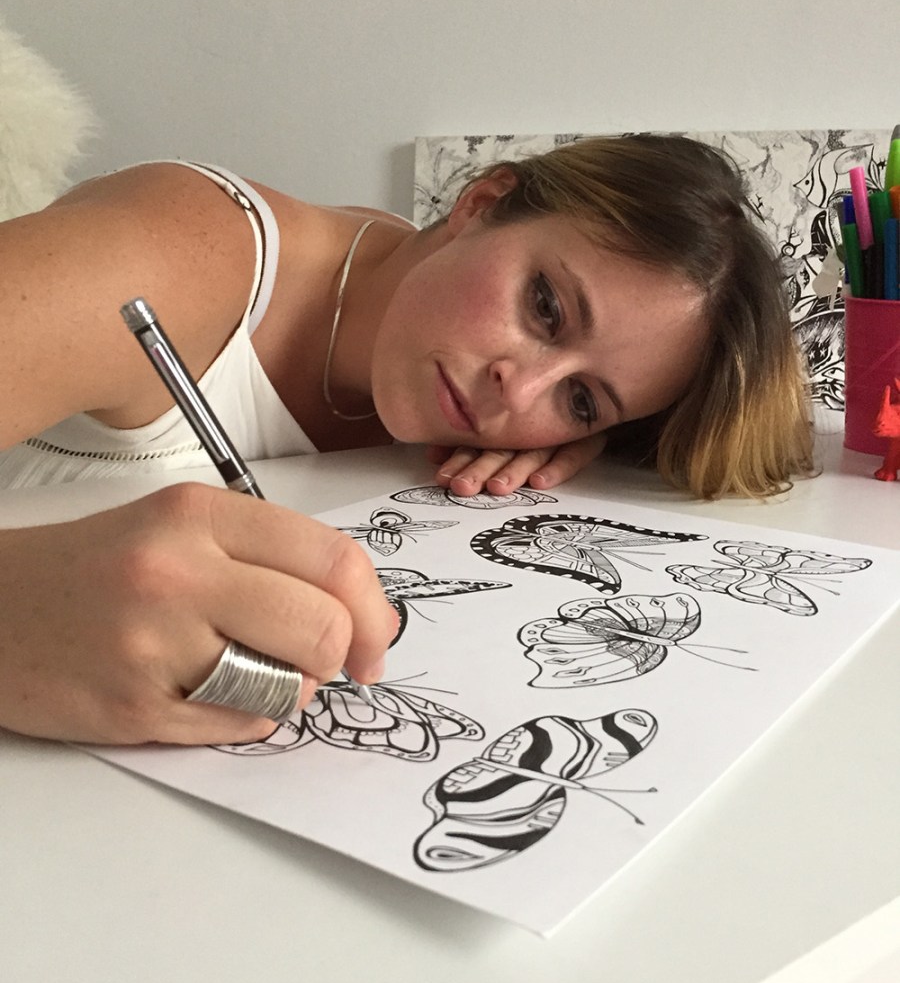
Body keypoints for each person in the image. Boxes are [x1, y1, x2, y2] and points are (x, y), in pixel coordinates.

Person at [0, 134, 815, 747]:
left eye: (580, 398)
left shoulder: (443, 352)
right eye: (545, 307)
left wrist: (590, 447)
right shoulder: (168, 257)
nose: (517, 393)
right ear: (481, 203)